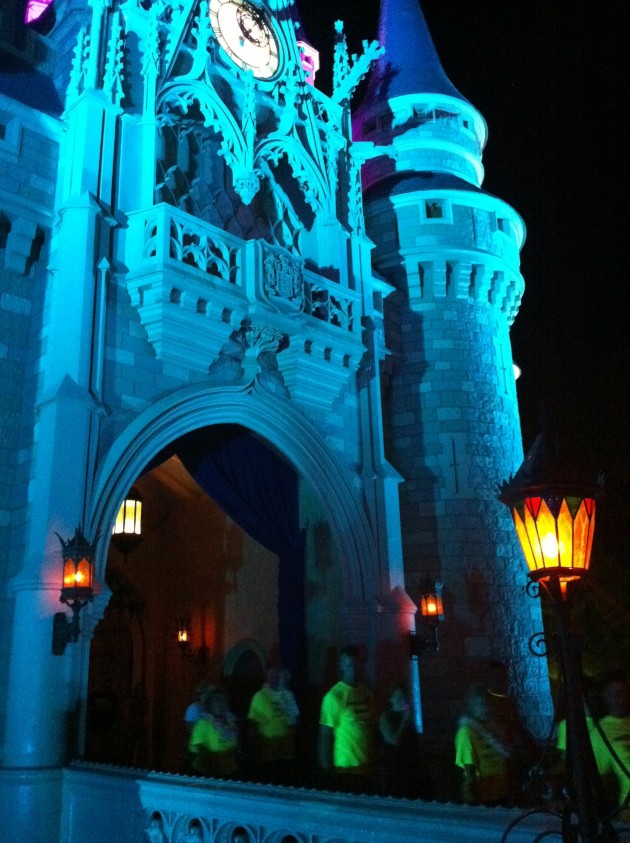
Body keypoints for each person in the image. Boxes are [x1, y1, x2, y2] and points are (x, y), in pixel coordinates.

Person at [317, 645, 375, 792]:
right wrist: (327, 773)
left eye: (356, 664)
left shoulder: (365, 691)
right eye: (349, 665)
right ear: (341, 666)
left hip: (366, 768)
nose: (353, 669)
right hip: (346, 770)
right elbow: (325, 737)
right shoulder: (334, 696)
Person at [455, 683, 515, 806]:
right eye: (482, 705)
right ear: (472, 706)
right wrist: (478, 801)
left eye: (489, 704)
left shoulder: (494, 728)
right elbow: (470, 771)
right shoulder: (466, 732)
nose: (487, 708)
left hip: (501, 794)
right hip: (481, 798)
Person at [247, 666, 300, 784]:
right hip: (268, 749)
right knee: (270, 779)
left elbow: (295, 716)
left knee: (286, 779)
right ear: (267, 677)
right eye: (272, 676)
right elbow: (253, 721)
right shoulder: (260, 696)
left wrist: (294, 736)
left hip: (287, 749)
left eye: (277, 675)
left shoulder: (288, 695)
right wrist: (254, 746)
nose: (275, 678)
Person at [377, 683, 425, 798]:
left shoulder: (409, 717)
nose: (402, 700)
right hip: (393, 769)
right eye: (398, 698)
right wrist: (404, 720)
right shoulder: (385, 717)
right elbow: (393, 741)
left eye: (404, 697)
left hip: (410, 769)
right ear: (391, 699)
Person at [593, 675, 630, 819]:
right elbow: (597, 780)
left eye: (625, 692)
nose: (622, 698)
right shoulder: (600, 733)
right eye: (616, 694)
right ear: (605, 697)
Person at [188, 686, 239, 777]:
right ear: (210, 704)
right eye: (217, 700)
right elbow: (199, 751)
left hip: (228, 773)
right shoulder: (202, 723)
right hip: (206, 774)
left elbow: (235, 745)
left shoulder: (231, 722)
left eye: (223, 700)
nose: (221, 704)